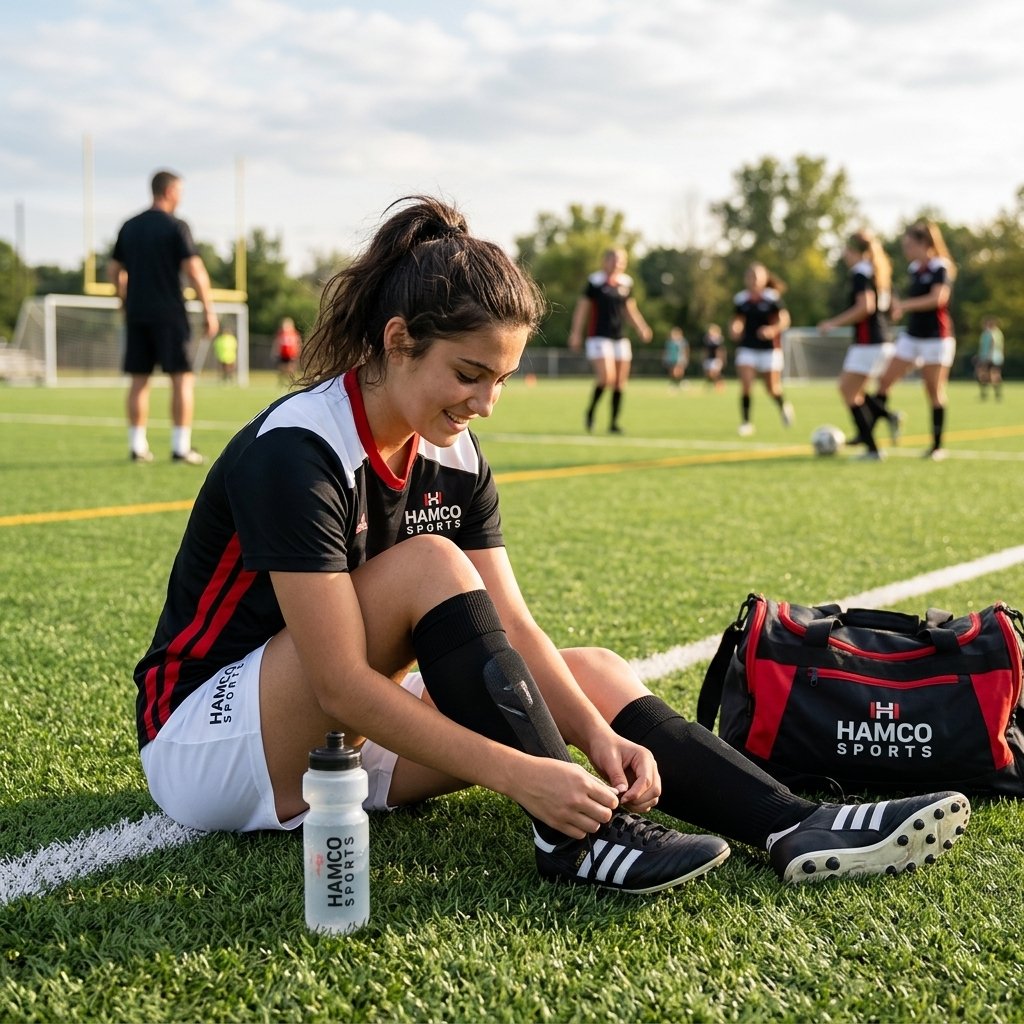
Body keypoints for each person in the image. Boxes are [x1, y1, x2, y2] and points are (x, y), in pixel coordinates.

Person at [133, 196, 970, 895]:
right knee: (430, 565)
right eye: (468, 373)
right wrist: (521, 773)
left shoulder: (452, 452)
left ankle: (791, 823)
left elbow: (517, 629)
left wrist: (598, 740)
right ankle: (572, 842)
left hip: (331, 749)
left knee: (592, 672)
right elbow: (342, 686)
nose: (485, 403)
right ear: (397, 341)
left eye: (500, 378)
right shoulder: (300, 448)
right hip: (211, 741)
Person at [109, 169, 218, 465]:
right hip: (169, 313)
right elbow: (194, 270)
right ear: (169, 191)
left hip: (137, 314)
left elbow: (114, 271)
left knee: (139, 381)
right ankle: (180, 447)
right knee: (182, 380)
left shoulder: (129, 226)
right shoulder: (176, 226)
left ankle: (137, 446)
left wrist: (124, 300)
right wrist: (209, 309)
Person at [866, 221, 957, 461]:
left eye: (909, 245)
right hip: (912, 335)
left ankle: (937, 446)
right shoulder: (915, 269)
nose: (906, 250)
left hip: (936, 338)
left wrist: (904, 305)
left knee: (933, 391)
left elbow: (938, 298)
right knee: (884, 381)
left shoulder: (941, 267)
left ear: (924, 244)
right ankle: (871, 435)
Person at [818, 230, 895, 461]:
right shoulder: (875, 271)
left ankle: (872, 448)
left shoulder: (861, 273)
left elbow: (865, 308)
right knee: (853, 391)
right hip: (878, 340)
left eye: (845, 249)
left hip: (868, 343)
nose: (842, 254)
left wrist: (833, 323)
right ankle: (883, 422)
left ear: (853, 251)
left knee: (847, 390)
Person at [568, 248, 653, 434]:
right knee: (606, 378)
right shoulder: (595, 282)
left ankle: (613, 424)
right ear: (604, 261)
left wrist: (642, 327)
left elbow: (630, 309)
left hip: (620, 337)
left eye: (621, 261)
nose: (617, 264)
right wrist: (575, 333)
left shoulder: (626, 283)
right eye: (614, 260)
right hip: (598, 336)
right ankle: (590, 413)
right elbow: (582, 309)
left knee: (620, 382)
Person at [730, 263, 793, 436]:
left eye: (757, 277)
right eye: (750, 277)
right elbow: (737, 319)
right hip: (747, 347)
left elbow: (784, 320)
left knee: (772, 388)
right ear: (746, 279)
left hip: (769, 348)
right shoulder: (741, 299)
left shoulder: (772, 298)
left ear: (765, 279)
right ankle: (746, 423)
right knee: (746, 385)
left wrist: (771, 330)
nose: (754, 280)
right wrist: (735, 328)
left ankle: (783, 406)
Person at [975, 317, 1004, 401]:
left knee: (985, 375)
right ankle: (997, 395)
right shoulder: (999, 333)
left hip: (989, 357)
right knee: (994, 374)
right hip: (997, 357)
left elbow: (992, 343)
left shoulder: (989, 333)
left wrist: (989, 356)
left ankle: (985, 394)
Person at [274, 317, 303, 384]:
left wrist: (298, 351)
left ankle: (291, 380)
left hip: (292, 353)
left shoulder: (294, 333)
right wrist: (276, 351)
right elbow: (277, 343)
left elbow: (298, 342)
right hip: (283, 354)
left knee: (291, 368)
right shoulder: (281, 334)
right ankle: (282, 381)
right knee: (282, 368)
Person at [701, 323, 727, 391]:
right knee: (708, 373)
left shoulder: (719, 340)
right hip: (709, 358)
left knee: (715, 372)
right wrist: (704, 358)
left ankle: (719, 384)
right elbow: (705, 350)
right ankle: (714, 384)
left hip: (716, 359)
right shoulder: (707, 340)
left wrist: (722, 359)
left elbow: (721, 350)